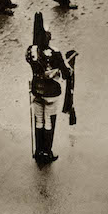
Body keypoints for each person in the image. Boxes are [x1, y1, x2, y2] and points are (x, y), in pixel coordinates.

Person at [26, 13, 76, 164]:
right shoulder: (55, 52)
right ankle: (47, 152)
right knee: (49, 121)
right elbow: (67, 73)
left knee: (39, 120)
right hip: (51, 92)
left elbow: (31, 60)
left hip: (36, 90)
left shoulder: (31, 51)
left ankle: (38, 151)